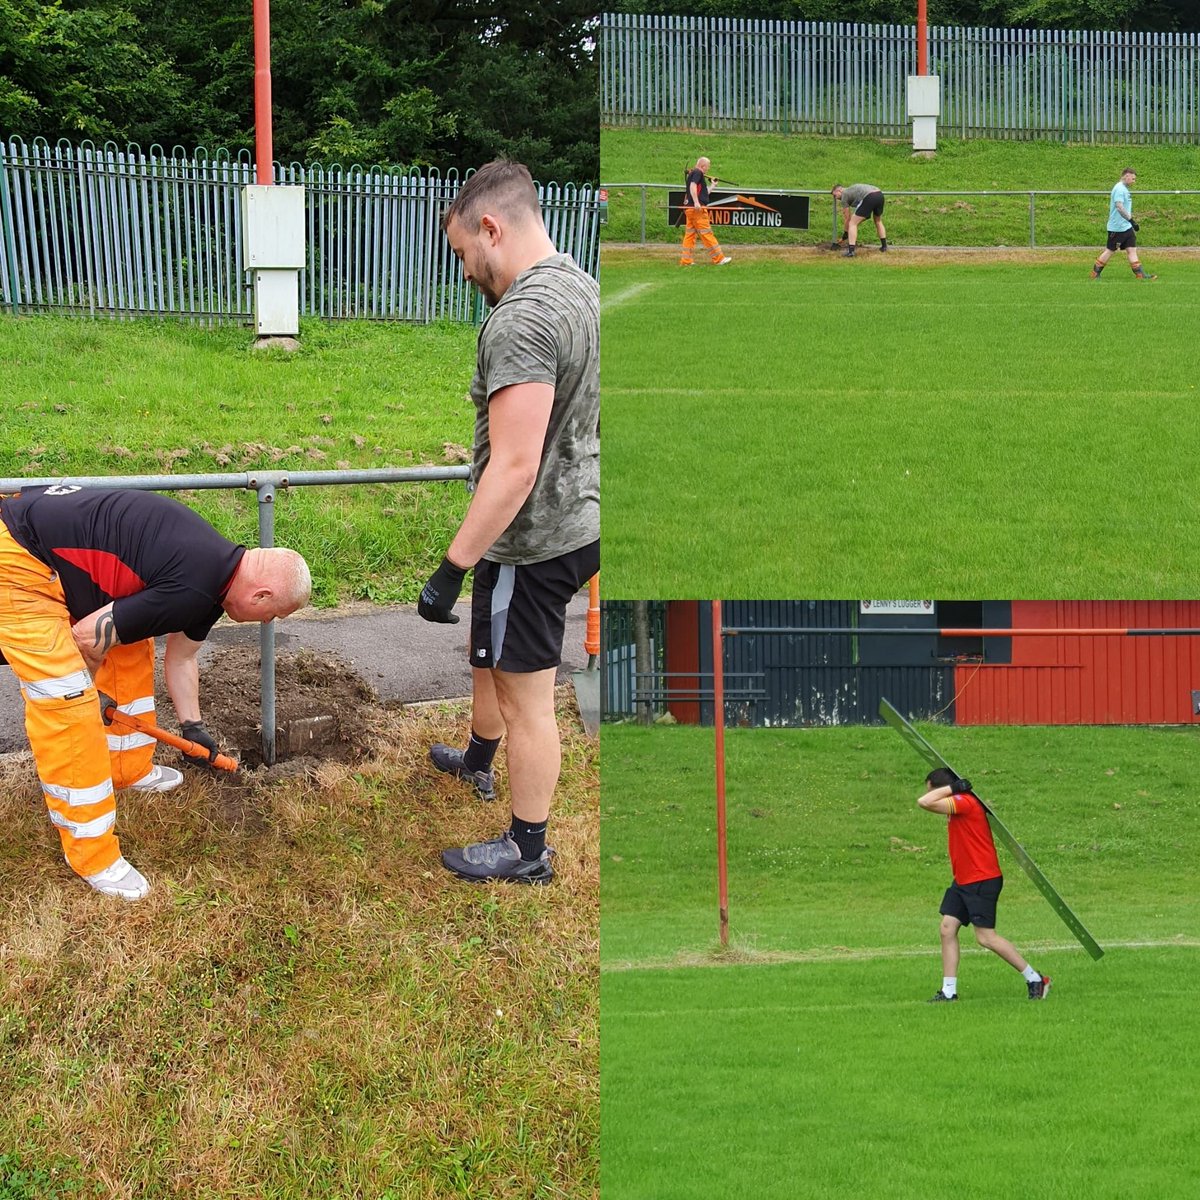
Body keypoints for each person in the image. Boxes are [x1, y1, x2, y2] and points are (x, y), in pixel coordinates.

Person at [0, 484, 311, 900]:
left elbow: (181, 659)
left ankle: (127, 769)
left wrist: (192, 726)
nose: (267, 623)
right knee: (67, 700)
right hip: (19, 555)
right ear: (261, 594)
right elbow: (88, 638)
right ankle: (93, 854)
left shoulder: (216, 577)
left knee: (131, 647)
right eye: (272, 614)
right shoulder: (194, 586)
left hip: (46, 544)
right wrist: (87, 694)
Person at [421, 160, 599, 885]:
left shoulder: (522, 318)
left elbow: (515, 466)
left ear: (491, 228)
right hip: (574, 515)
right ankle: (478, 760)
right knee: (488, 653)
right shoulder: (580, 285)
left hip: (534, 538)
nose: (466, 271)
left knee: (529, 697)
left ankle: (528, 851)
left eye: (465, 253)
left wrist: (451, 567)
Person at [917, 767, 1050, 1002]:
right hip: (964, 880)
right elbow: (928, 801)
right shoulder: (956, 804)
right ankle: (949, 992)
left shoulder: (964, 802)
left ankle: (1036, 979)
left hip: (981, 878)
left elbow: (924, 802)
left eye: (931, 788)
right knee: (947, 928)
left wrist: (953, 788)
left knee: (986, 938)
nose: (929, 793)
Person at [1091, 168, 1156, 281]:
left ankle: (1140, 275)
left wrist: (1130, 223)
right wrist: (1132, 220)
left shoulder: (1124, 189)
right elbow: (1119, 207)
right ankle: (1095, 273)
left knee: (1131, 249)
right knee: (1110, 250)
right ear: (1126, 176)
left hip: (1126, 227)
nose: (1134, 181)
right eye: (1133, 178)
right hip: (1118, 228)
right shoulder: (1119, 189)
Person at [679, 156, 732, 267]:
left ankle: (686, 261)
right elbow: (693, 187)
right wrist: (697, 202)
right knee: (707, 233)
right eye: (708, 166)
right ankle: (719, 259)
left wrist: (712, 185)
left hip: (690, 209)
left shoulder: (694, 174)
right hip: (697, 210)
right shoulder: (698, 172)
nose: (708, 168)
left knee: (690, 235)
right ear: (703, 165)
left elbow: (702, 193)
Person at [831, 184, 887, 256]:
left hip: (869, 196)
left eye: (835, 195)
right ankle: (884, 247)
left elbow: (847, 218)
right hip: (879, 195)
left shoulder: (844, 194)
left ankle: (851, 252)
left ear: (839, 190)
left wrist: (845, 235)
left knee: (852, 223)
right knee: (878, 221)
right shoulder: (851, 189)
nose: (835, 198)